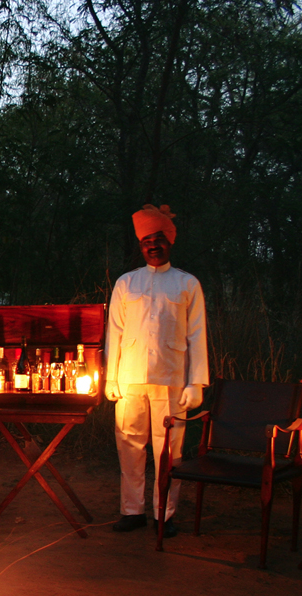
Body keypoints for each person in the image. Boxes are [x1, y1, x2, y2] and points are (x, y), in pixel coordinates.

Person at [105, 204, 209, 537]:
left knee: (169, 450)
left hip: (171, 378)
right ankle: (132, 510)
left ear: (169, 243)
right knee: (129, 447)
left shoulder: (187, 284)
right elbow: (115, 332)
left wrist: (197, 383)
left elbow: (197, 335)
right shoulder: (126, 282)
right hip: (130, 377)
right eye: (147, 240)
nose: (153, 245)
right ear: (140, 245)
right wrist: (111, 376)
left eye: (159, 239)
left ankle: (165, 514)